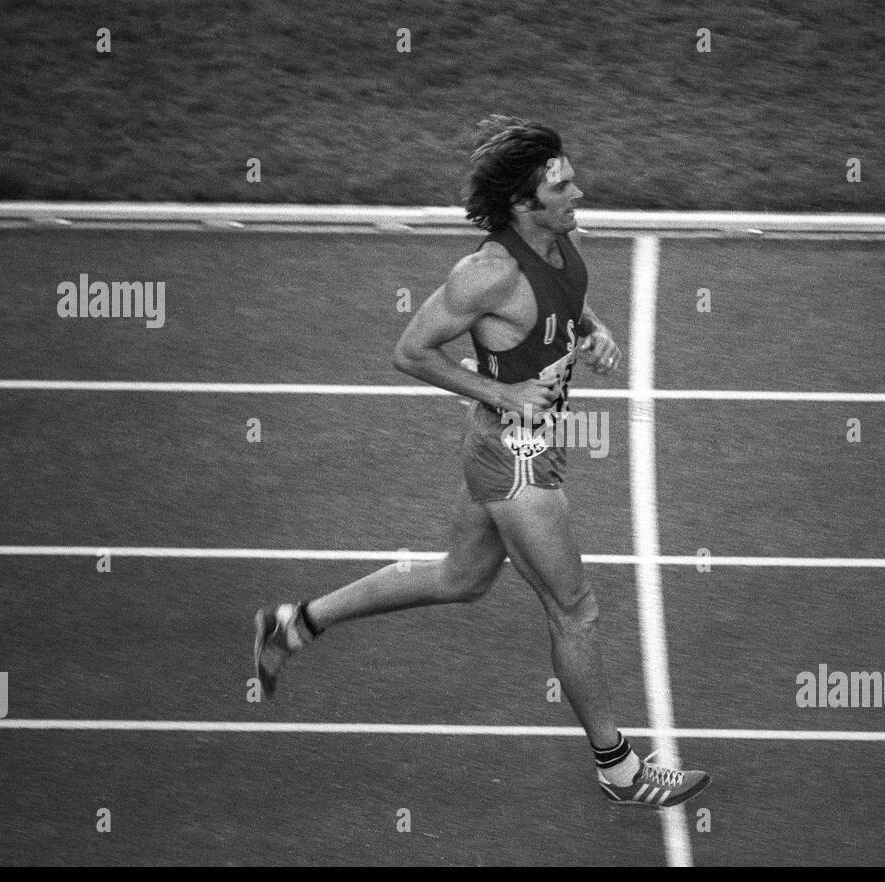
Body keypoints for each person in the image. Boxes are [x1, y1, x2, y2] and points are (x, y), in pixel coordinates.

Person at [254, 116, 710, 808]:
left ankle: (295, 622)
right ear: (525, 203)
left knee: (460, 578)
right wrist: (502, 390)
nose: (578, 190)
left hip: (522, 443)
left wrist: (591, 330)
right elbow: (409, 352)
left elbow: (566, 302)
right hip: (513, 458)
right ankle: (619, 770)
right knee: (576, 612)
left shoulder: (563, 237)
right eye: (562, 185)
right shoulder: (486, 274)